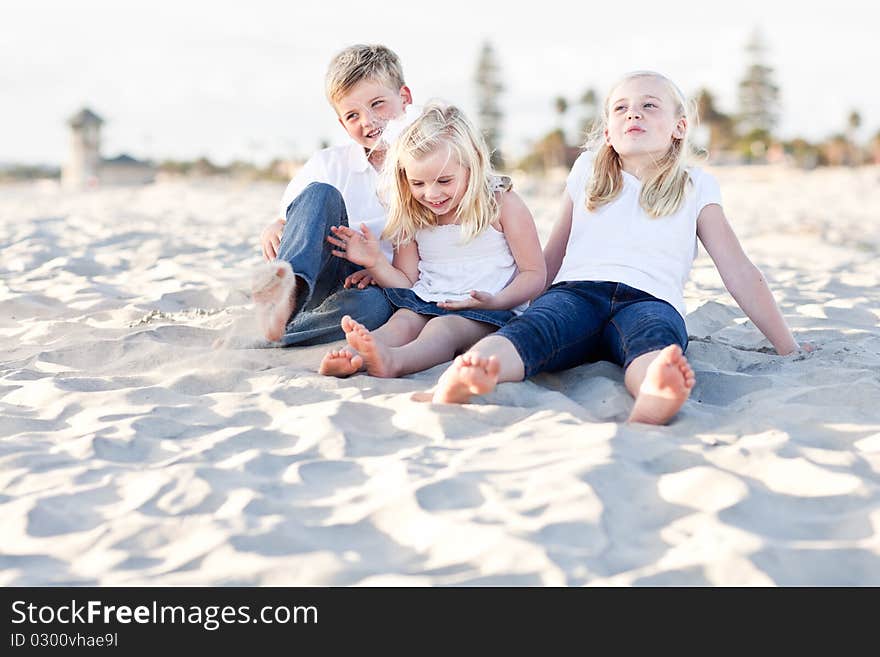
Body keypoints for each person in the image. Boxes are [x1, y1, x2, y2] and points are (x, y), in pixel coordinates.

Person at [427, 71, 811, 425]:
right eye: (621, 108)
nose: (633, 115)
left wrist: (786, 345)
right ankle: (477, 369)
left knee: (654, 342)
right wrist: (520, 302)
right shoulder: (587, 171)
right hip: (576, 292)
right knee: (536, 329)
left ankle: (655, 391)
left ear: (679, 127)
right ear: (608, 131)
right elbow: (554, 254)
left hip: (650, 300)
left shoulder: (697, 184)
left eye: (649, 105)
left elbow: (739, 271)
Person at [318, 102, 546, 379]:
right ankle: (355, 357)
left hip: (488, 311)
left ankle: (396, 361)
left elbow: (534, 274)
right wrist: (375, 261)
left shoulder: (502, 204)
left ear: (471, 164)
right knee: (402, 322)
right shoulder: (414, 216)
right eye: (418, 184)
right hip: (429, 300)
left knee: (442, 330)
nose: (431, 194)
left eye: (444, 181)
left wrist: (496, 301)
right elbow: (407, 283)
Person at [249, 44, 412, 346]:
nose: (367, 121)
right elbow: (296, 216)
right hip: (321, 277)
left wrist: (381, 271)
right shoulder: (329, 163)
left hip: (380, 286)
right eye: (352, 115)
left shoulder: (425, 172)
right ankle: (288, 292)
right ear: (341, 123)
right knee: (321, 194)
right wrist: (274, 225)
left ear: (404, 99)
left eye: (377, 104)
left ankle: (281, 334)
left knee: (374, 310)